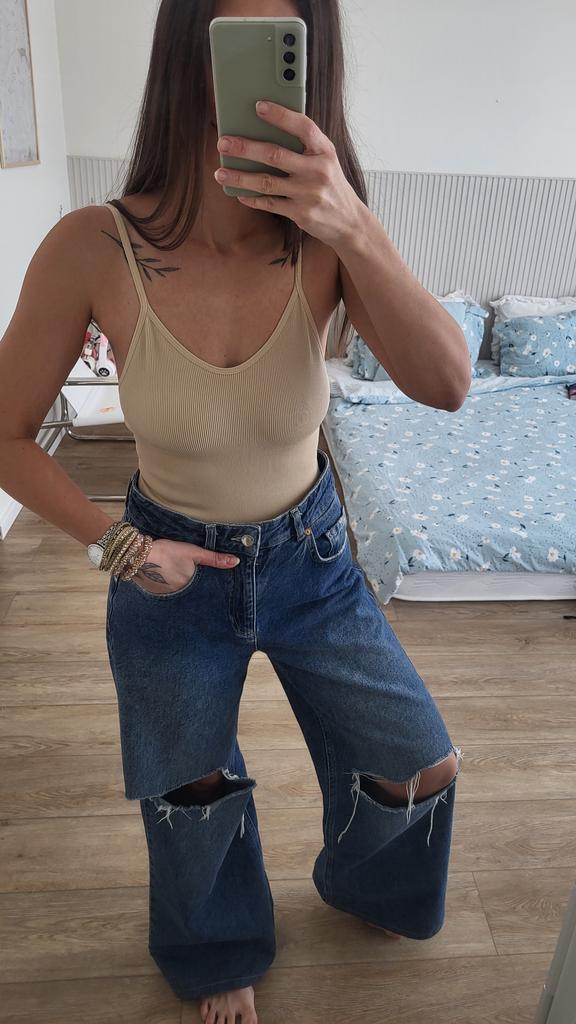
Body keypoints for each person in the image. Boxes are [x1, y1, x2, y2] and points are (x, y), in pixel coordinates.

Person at [0, 2, 470, 1022]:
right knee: (192, 791)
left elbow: (447, 383)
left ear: (314, 71)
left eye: (282, 55)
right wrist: (119, 548)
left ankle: (365, 882)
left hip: (312, 559)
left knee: (419, 763)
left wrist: (354, 223)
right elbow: (6, 433)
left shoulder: (325, 242)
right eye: (231, 49)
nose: (252, 95)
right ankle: (219, 947)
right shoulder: (94, 244)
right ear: (185, 58)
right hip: (169, 571)